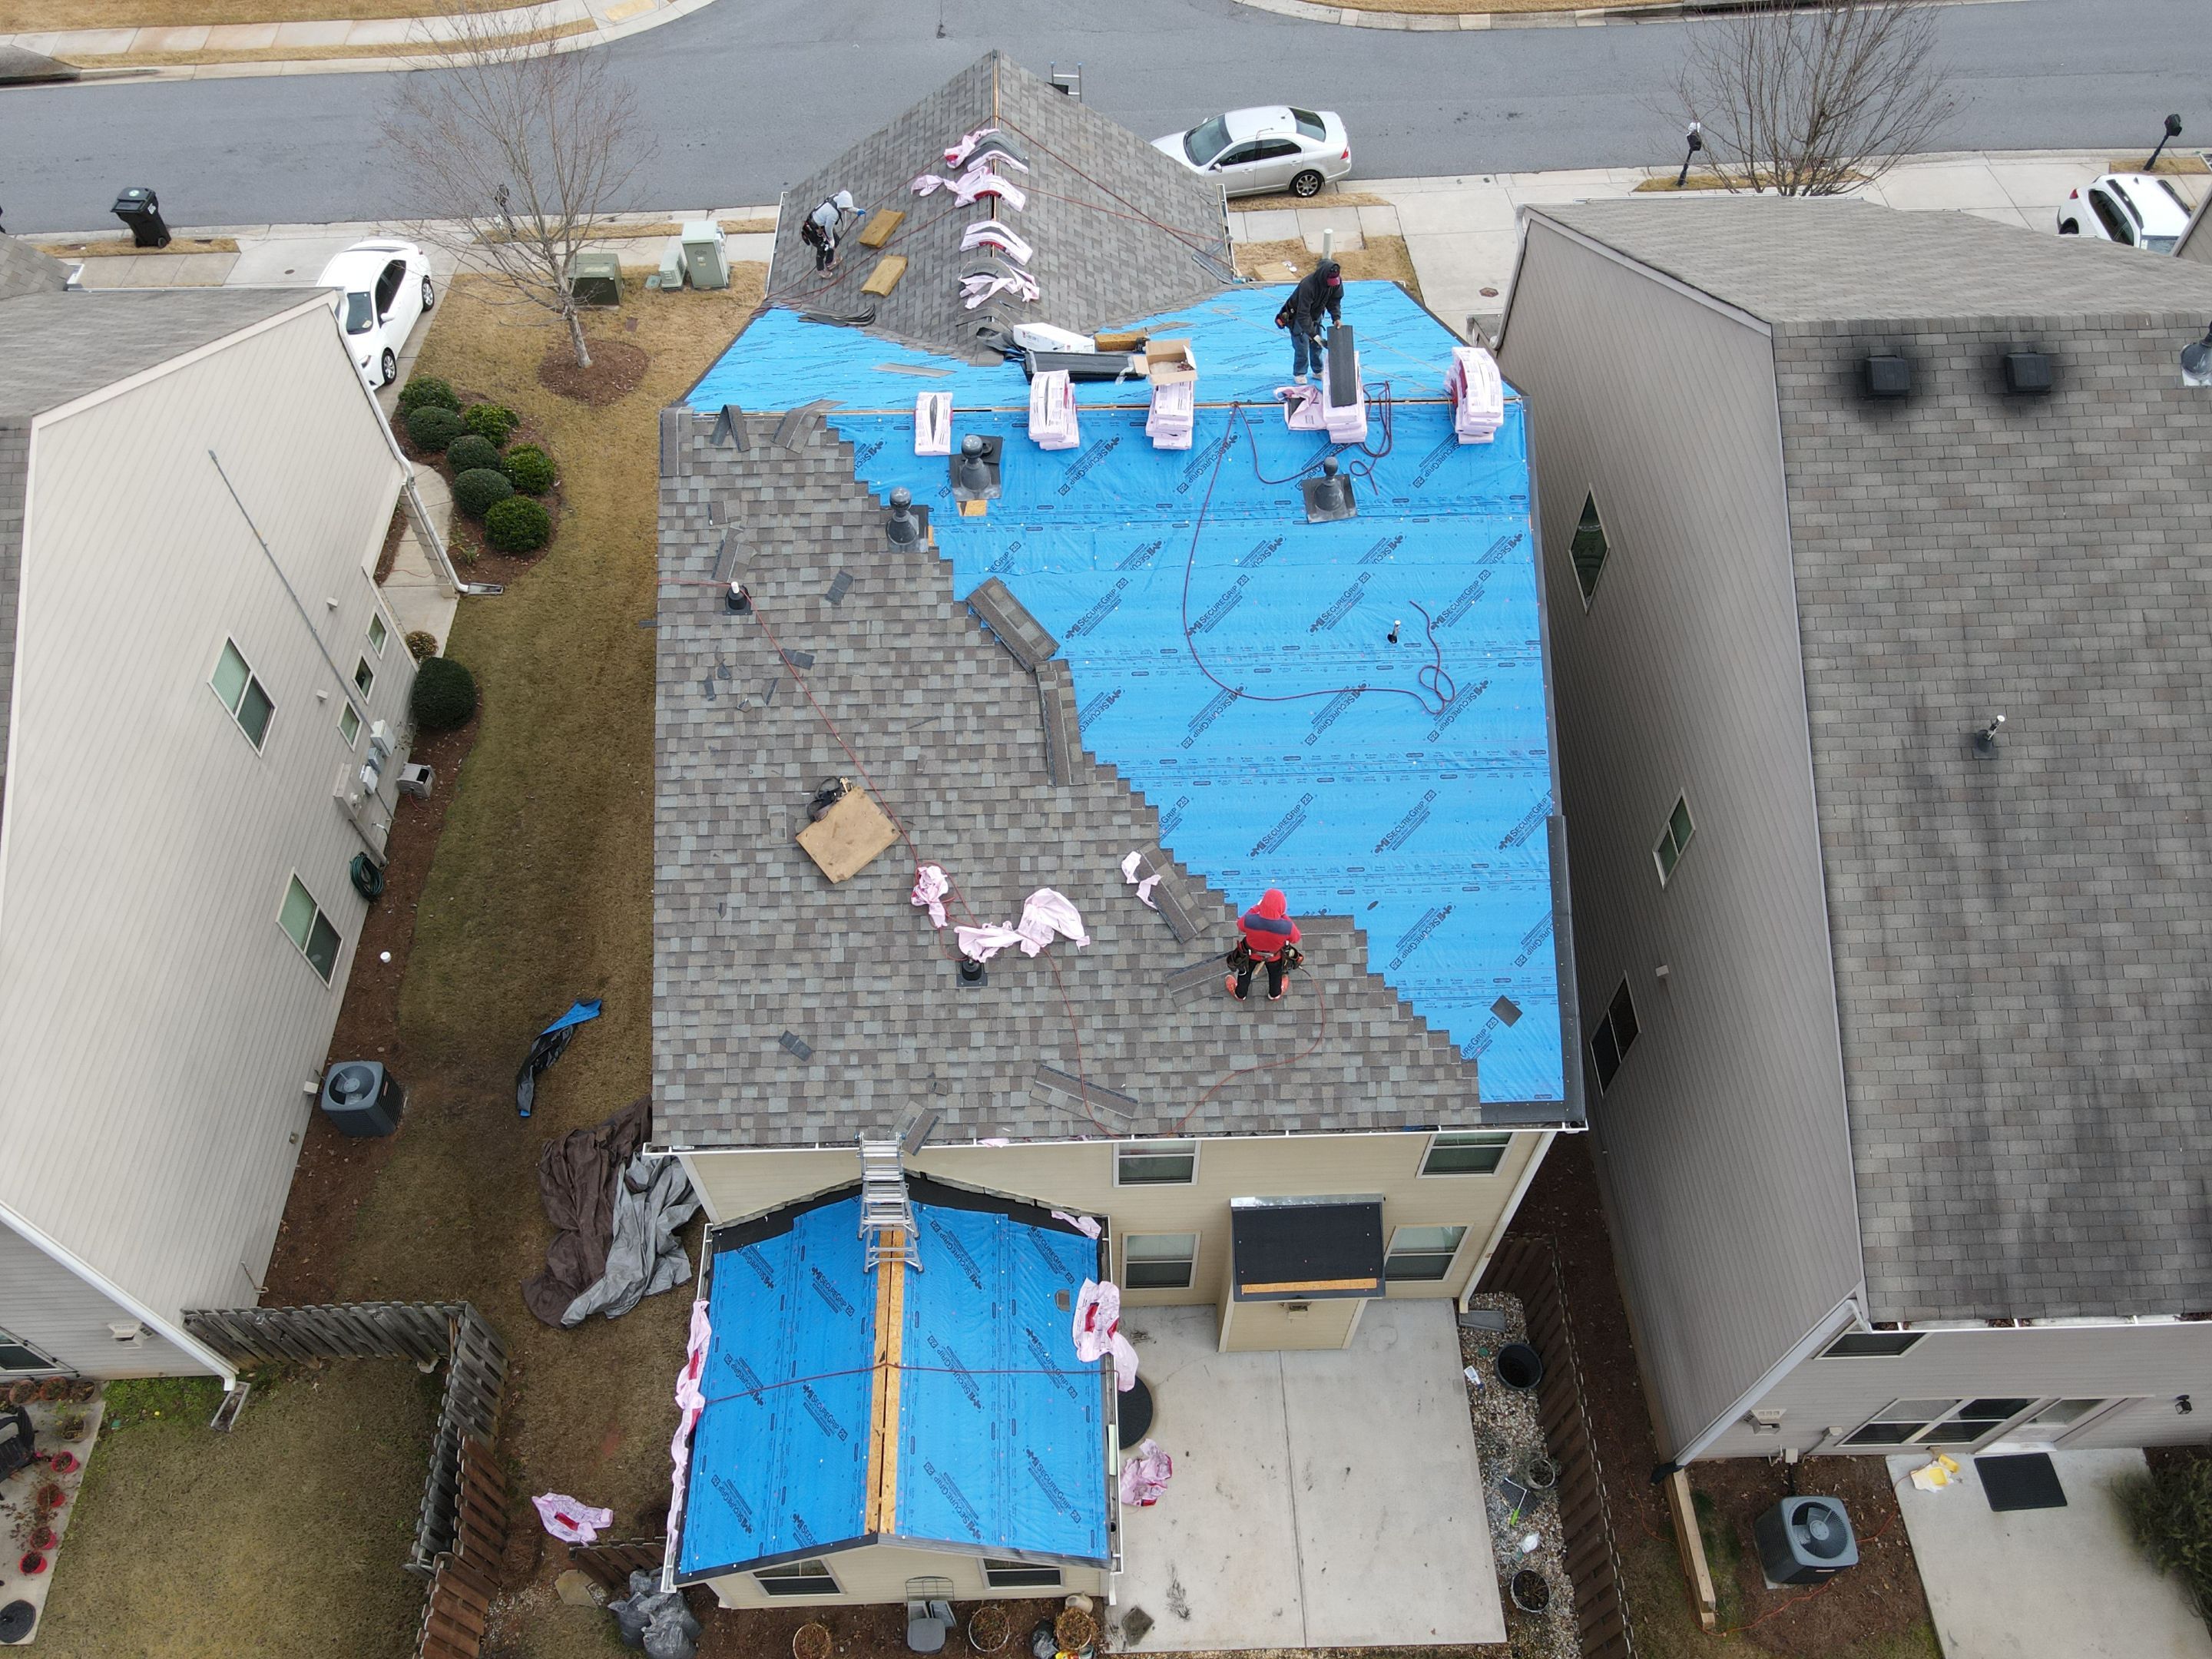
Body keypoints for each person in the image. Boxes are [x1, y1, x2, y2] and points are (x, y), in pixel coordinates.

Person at [1273, 259, 1343, 386]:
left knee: (1317, 346)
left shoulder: (1336, 282)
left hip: (1316, 313)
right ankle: (1300, 373)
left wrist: (1336, 318)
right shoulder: (1308, 285)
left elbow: (1334, 301)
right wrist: (1314, 335)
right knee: (1302, 346)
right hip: (1298, 316)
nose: (1333, 284)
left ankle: (1318, 371)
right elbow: (1303, 314)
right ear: (1323, 277)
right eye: (1331, 282)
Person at [1227, 889, 1302, 1002]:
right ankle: (1274, 994)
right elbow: (1296, 938)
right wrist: (1283, 916)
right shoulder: (1287, 927)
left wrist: (1256, 908)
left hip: (1250, 954)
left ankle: (1240, 994)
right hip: (1274, 957)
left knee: (1245, 973)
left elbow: (1240, 925)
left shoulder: (1250, 920)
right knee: (1275, 974)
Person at [803, 189, 856, 271]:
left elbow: (846, 207)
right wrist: (831, 239)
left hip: (822, 225)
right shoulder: (833, 214)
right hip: (814, 230)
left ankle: (829, 262)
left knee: (836, 241)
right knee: (823, 249)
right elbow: (828, 228)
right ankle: (821, 270)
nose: (846, 209)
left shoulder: (837, 198)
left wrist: (857, 211)